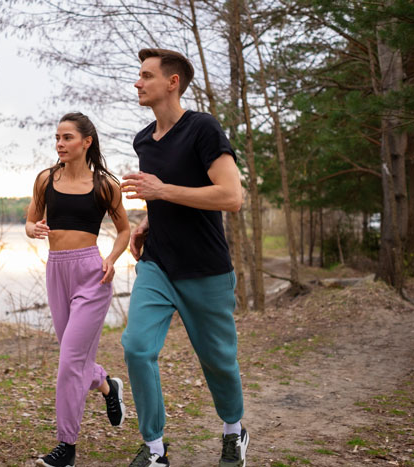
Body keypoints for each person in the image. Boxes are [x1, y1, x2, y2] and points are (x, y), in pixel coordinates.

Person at [120, 49, 249, 467]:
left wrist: (161, 192)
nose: (137, 83)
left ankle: (234, 430)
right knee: (137, 348)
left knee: (218, 360)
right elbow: (164, 195)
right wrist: (148, 222)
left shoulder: (203, 129)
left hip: (205, 268)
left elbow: (232, 196)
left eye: (146, 76)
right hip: (158, 263)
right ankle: (155, 448)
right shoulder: (143, 139)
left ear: (172, 83)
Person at [26, 112, 131, 467]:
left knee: (69, 361)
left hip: (91, 274)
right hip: (56, 271)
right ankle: (106, 386)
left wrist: (112, 259)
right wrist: (33, 229)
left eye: (67, 137)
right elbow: (29, 220)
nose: (59, 144)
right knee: (77, 360)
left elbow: (124, 231)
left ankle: (66, 448)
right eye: (57, 137)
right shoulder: (45, 179)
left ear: (86, 142)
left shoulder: (105, 185)